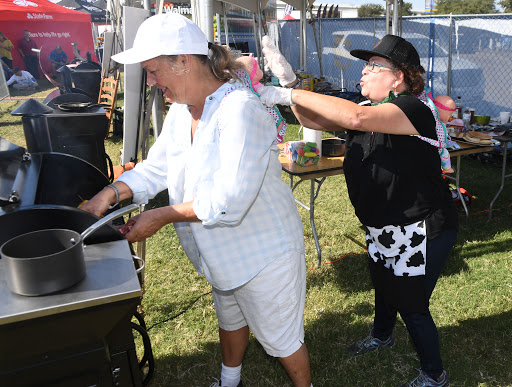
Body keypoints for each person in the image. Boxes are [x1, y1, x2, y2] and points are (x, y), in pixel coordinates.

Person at [79, 13, 312, 387]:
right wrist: (108, 194)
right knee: (231, 317)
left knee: (281, 339)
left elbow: (228, 200)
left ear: (184, 61)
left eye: (154, 72)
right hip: (221, 250)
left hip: (264, 255)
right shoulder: (180, 111)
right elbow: (157, 169)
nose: (152, 83)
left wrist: (163, 216)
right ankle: (229, 380)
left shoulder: (239, 110)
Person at [259, 34, 458, 387]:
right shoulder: (366, 107)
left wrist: (291, 94)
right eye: (365, 65)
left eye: (373, 66)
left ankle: (434, 374)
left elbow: (353, 119)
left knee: (412, 307)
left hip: (421, 226)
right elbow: (315, 121)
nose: (363, 72)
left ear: (399, 77)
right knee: (383, 284)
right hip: (384, 224)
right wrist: (289, 83)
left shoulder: (415, 108)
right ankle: (382, 335)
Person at [432, 94, 457, 173]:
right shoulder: (433, 120)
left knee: (444, 154)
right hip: (435, 147)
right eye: (449, 114)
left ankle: (445, 169)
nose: (450, 118)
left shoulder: (439, 122)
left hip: (438, 147)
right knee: (445, 154)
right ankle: (446, 168)